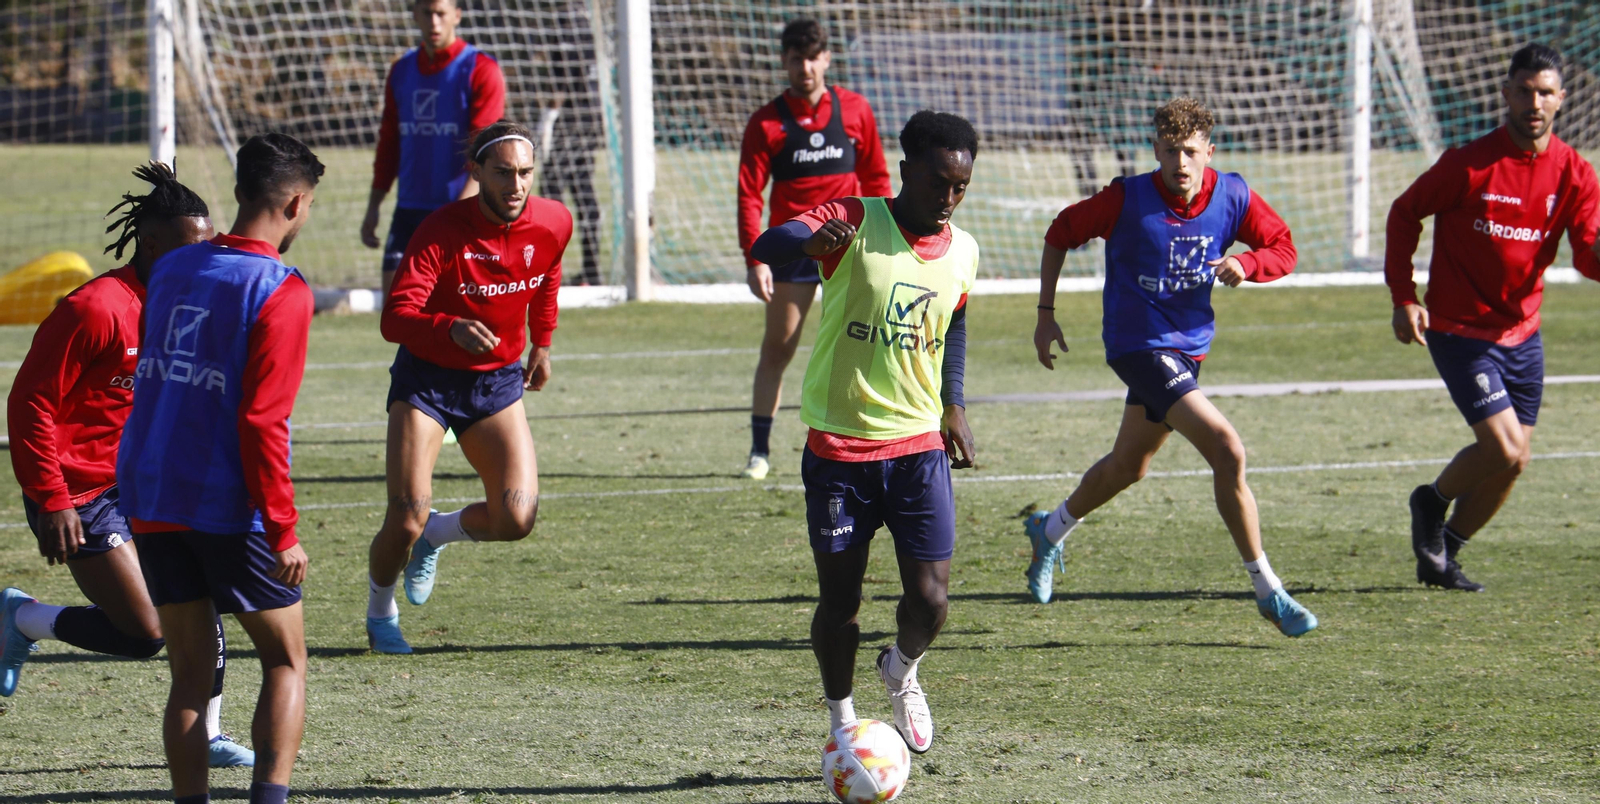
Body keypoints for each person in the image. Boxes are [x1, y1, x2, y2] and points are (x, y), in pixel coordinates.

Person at [1025, 97, 1317, 638]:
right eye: (1168, 151)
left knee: (1129, 466)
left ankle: (1050, 529)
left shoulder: (1232, 195)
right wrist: (1046, 315)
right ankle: (1267, 589)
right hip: (1137, 346)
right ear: (1154, 149)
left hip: (1186, 351)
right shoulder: (1126, 199)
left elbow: (1283, 246)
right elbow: (1060, 232)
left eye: (1189, 151)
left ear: (1210, 149)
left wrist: (1247, 262)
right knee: (1227, 448)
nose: (1179, 164)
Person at [0, 163, 253, 767]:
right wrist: (54, 497)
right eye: (192, 246)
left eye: (209, 245)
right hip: (78, 491)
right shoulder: (95, 308)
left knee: (202, 594)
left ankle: (211, 733)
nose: (205, 258)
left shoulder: (190, 305)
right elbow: (29, 402)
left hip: (149, 484)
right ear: (152, 241)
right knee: (146, 634)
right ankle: (23, 618)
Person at [750, 110, 980, 754]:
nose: (948, 198)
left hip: (917, 450)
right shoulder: (854, 219)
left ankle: (901, 670)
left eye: (961, 187)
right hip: (839, 452)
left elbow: (954, 321)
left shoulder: (963, 249)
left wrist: (952, 404)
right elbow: (769, 245)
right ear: (907, 172)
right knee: (841, 603)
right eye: (938, 183)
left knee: (932, 603)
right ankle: (842, 720)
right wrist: (808, 243)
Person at [117, 133, 322, 804]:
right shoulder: (281, 290)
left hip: (150, 493)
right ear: (295, 202)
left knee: (189, 678)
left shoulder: (173, 267)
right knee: (285, 659)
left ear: (239, 193)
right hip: (227, 506)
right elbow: (263, 421)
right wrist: (283, 528)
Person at [1387, 43, 1600, 592]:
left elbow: (1587, 253)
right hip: (1460, 330)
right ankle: (1430, 503)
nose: (1535, 102)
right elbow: (1405, 212)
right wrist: (1404, 295)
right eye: (1525, 91)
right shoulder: (1469, 164)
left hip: (1523, 334)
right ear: (1505, 94)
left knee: (1514, 461)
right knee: (1502, 446)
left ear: (1561, 99)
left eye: (1546, 92)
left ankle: (1443, 554)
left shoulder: (1575, 173)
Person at [365, 122, 571, 655]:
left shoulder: (553, 222)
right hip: (428, 383)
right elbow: (396, 317)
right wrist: (447, 327)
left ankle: (437, 534)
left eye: (525, 173)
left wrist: (542, 344)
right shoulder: (439, 229)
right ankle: (380, 611)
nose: (516, 185)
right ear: (475, 172)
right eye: (503, 173)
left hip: (496, 383)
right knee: (404, 514)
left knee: (516, 517)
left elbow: (547, 277)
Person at [736, 17, 891, 480]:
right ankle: (759, 451)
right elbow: (749, 194)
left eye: (812, 56)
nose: (805, 67)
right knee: (779, 347)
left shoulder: (857, 110)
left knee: (862, 341)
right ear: (784, 61)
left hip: (852, 248)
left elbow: (878, 179)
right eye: (795, 58)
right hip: (796, 250)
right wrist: (755, 257)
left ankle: (863, 438)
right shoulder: (766, 123)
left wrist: (887, 239)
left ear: (826, 58)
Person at [361, 0, 506, 302]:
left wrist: (461, 217)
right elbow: (389, 143)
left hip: (458, 210)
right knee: (396, 310)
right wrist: (374, 206)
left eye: (441, 13)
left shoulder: (481, 70)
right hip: (409, 209)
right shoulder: (401, 71)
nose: (434, 22)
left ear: (457, 15)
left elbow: (483, 153)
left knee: (457, 312)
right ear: (414, 14)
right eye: (427, 13)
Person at [539, 0, 604, 286]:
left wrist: (549, 117)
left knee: (550, 188)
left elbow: (563, 80)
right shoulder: (586, 23)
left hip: (574, 120)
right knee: (582, 188)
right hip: (591, 117)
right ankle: (591, 270)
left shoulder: (567, 25)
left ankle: (548, 269)